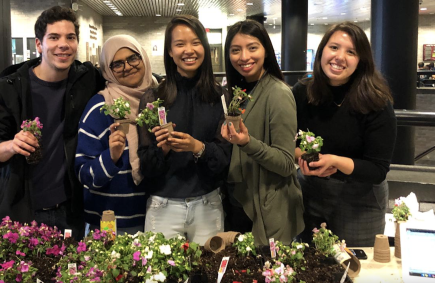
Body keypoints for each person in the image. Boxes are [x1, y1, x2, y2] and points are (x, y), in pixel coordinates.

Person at [0, 5, 104, 240]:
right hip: (23, 209)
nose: (63, 44)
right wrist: (11, 145)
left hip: (70, 209)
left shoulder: (87, 80)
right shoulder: (9, 88)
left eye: (70, 37)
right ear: (39, 44)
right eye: (54, 37)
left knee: (71, 275)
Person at [292, 21, 397, 247]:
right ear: (321, 52)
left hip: (360, 199)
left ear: (361, 61)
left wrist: (335, 162)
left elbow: (378, 169)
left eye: (351, 52)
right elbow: (285, 139)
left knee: (355, 272)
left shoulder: (376, 101)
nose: (340, 57)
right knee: (308, 266)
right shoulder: (303, 92)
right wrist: (302, 156)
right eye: (334, 47)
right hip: (309, 190)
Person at [137, 15, 232, 245]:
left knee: (208, 279)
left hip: (208, 204)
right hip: (163, 206)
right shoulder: (153, 99)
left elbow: (224, 162)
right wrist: (164, 149)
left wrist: (197, 147)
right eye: (180, 44)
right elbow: (146, 167)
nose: (188, 50)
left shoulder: (220, 97)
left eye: (195, 42)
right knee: (158, 280)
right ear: (170, 51)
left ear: (205, 47)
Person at [220, 19, 304, 246]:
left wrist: (248, 143)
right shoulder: (240, 91)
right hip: (240, 200)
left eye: (252, 47)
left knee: (267, 275)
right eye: (235, 50)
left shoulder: (278, 93)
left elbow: (286, 163)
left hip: (267, 206)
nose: (244, 56)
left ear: (266, 50)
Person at [75, 35, 157, 235]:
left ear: (143, 57)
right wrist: (111, 157)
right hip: (111, 225)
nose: (127, 67)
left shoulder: (159, 100)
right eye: (117, 64)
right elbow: (83, 173)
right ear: (107, 71)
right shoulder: (101, 108)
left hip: (157, 218)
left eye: (133, 58)